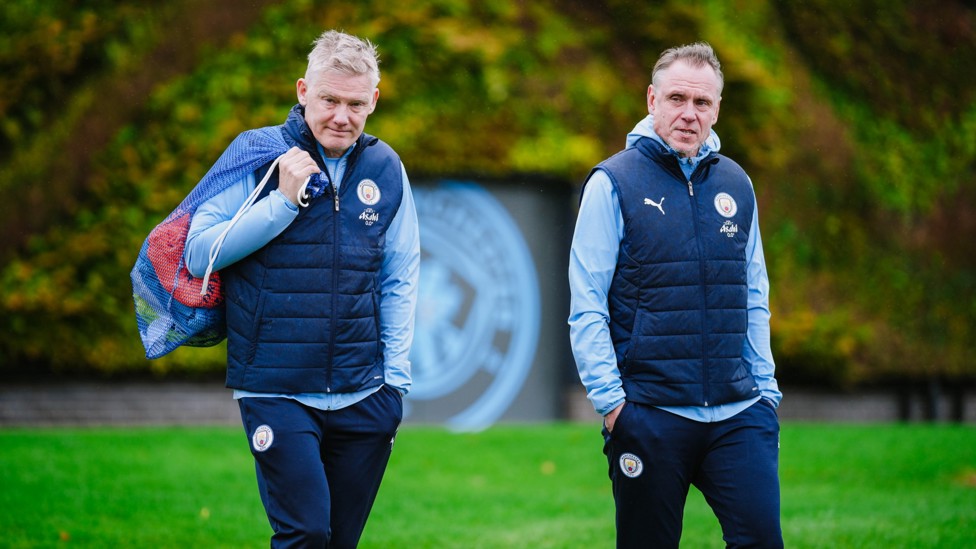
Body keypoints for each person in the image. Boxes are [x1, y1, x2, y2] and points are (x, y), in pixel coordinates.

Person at [184, 30, 419, 548]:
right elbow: (198, 255)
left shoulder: (387, 168)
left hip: (365, 395)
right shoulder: (258, 155)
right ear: (302, 91)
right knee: (306, 534)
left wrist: (394, 384)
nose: (341, 115)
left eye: (355, 103)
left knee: (339, 542)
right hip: (275, 388)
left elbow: (400, 276)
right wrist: (283, 203)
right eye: (329, 99)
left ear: (374, 101)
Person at [568, 42, 783, 548]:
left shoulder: (737, 182)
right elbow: (586, 304)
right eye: (677, 98)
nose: (689, 114)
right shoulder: (612, 182)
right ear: (651, 99)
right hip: (650, 414)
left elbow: (754, 294)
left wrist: (766, 393)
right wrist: (614, 405)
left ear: (716, 109)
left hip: (739, 413)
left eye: (702, 102)